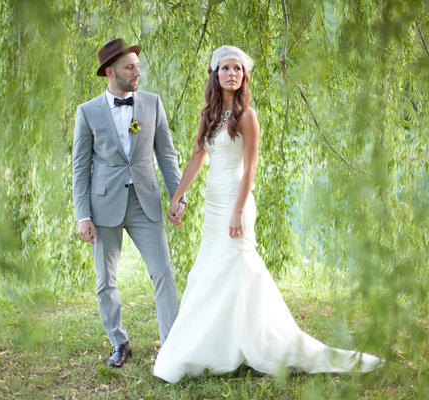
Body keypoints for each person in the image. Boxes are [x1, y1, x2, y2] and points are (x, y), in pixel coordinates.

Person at [154, 45, 382, 382]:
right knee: (212, 268)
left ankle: (257, 340)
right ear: (215, 74)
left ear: (244, 77)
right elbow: (197, 158)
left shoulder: (247, 116)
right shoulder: (208, 115)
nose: (232, 73)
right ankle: (217, 344)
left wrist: (238, 211)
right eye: (226, 68)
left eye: (238, 69)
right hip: (213, 205)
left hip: (236, 200)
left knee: (237, 266)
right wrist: (177, 196)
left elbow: (249, 169)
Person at [72, 38, 186, 368]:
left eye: (137, 66)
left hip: (145, 202)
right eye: (130, 67)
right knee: (105, 280)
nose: (137, 72)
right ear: (110, 72)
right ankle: (119, 342)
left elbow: (167, 155)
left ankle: (172, 345)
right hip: (103, 205)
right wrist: (82, 215)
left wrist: (178, 196)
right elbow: (80, 167)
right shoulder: (87, 112)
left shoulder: (152, 104)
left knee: (163, 272)